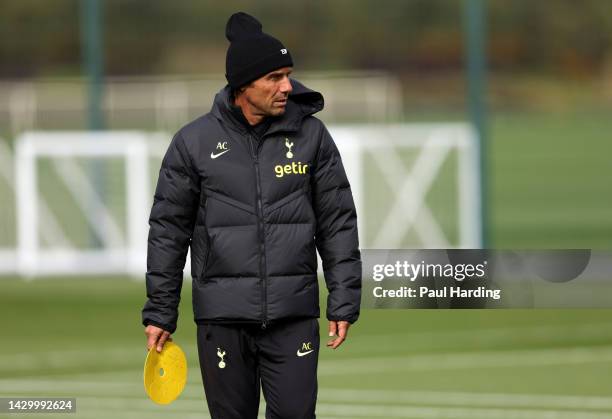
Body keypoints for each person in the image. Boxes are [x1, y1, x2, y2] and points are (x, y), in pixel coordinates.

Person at [142, 11, 361, 419]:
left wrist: (344, 298)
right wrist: (160, 311)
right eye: (274, 77)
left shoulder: (313, 137)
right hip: (222, 318)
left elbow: (337, 222)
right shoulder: (192, 143)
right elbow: (168, 232)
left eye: (288, 75)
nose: (287, 87)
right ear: (244, 84)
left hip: (293, 315)